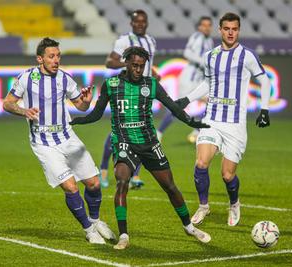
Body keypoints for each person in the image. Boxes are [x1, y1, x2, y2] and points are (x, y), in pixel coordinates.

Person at [70, 47, 212, 250]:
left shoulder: (151, 85)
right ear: (126, 63)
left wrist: (192, 122)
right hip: (124, 143)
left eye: (141, 66)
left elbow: (173, 107)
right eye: (134, 65)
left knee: (170, 187)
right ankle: (124, 235)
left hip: (149, 143)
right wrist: (77, 121)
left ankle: (188, 226)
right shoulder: (111, 85)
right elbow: (96, 114)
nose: (138, 70)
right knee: (122, 181)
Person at [3, 37, 115, 244]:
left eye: (58, 56)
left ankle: (96, 220)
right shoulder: (26, 78)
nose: (56, 60)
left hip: (68, 137)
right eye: (51, 56)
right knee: (71, 187)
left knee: (94, 183)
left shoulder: (65, 78)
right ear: (40, 59)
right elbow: (7, 104)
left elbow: (80, 106)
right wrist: (23, 110)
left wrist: (86, 102)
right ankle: (89, 230)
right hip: (43, 143)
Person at [175, 13, 271, 226]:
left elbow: (264, 81)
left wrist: (264, 110)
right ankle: (203, 207)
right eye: (226, 28)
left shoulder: (248, 55)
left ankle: (234, 203)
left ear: (238, 30)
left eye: (234, 29)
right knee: (201, 163)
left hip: (235, 124)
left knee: (227, 175)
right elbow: (207, 84)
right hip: (212, 119)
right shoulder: (211, 55)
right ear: (220, 30)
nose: (230, 32)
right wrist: (187, 99)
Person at [100, 9, 159, 189]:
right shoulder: (124, 40)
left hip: (145, 91)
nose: (140, 24)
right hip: (127, 90)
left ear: (147, 22)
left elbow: (148, 64)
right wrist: (128, 64)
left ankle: (135, 176)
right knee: (120, 130)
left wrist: (154, 74)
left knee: (142, 130)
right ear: (131, 23)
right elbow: (110, 62)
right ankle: (103, 169)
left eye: (143, 21)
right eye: (137, 22)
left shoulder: (151, 41)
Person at [157, 16, 214, 143]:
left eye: (209, 25)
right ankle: (158, 133)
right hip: (188, 79)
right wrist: (203, 62)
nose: (206, 28)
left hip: (199, 81)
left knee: (212, 103)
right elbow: (187, 53)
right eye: (204, 25)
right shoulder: (197, 37)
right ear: (199, 27)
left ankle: (197, 131)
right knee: (177, 108)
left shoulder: (209, 41)